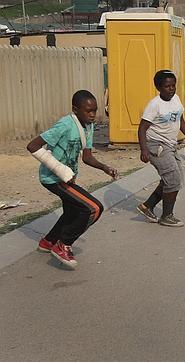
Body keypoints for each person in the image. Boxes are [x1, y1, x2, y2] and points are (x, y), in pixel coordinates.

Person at [27, 90, 117, 269]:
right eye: (88, 111)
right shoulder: (65, 125)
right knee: (93, 209)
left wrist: (104, 167)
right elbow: (33, 146)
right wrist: (59, 169)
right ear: (75, 110)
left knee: (72, 212)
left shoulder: (88, 126)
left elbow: (87, 157)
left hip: (68, 178)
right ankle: (63, 244)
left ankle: (48, 242)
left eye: (94, 110)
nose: (92, 115)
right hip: (53, 178)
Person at [136, 70, 185, 227]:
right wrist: (144, 150)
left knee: (173, 179)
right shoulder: (154, 105)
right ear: (158, 87)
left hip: (170, 145)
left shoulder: (176, 99)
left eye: (173, 85)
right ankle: (167, 216)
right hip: (156, 145)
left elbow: (180, 119)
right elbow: (142, 128)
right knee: (173, 180)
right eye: (167, 86)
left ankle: (147, 206)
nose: (171, 89)